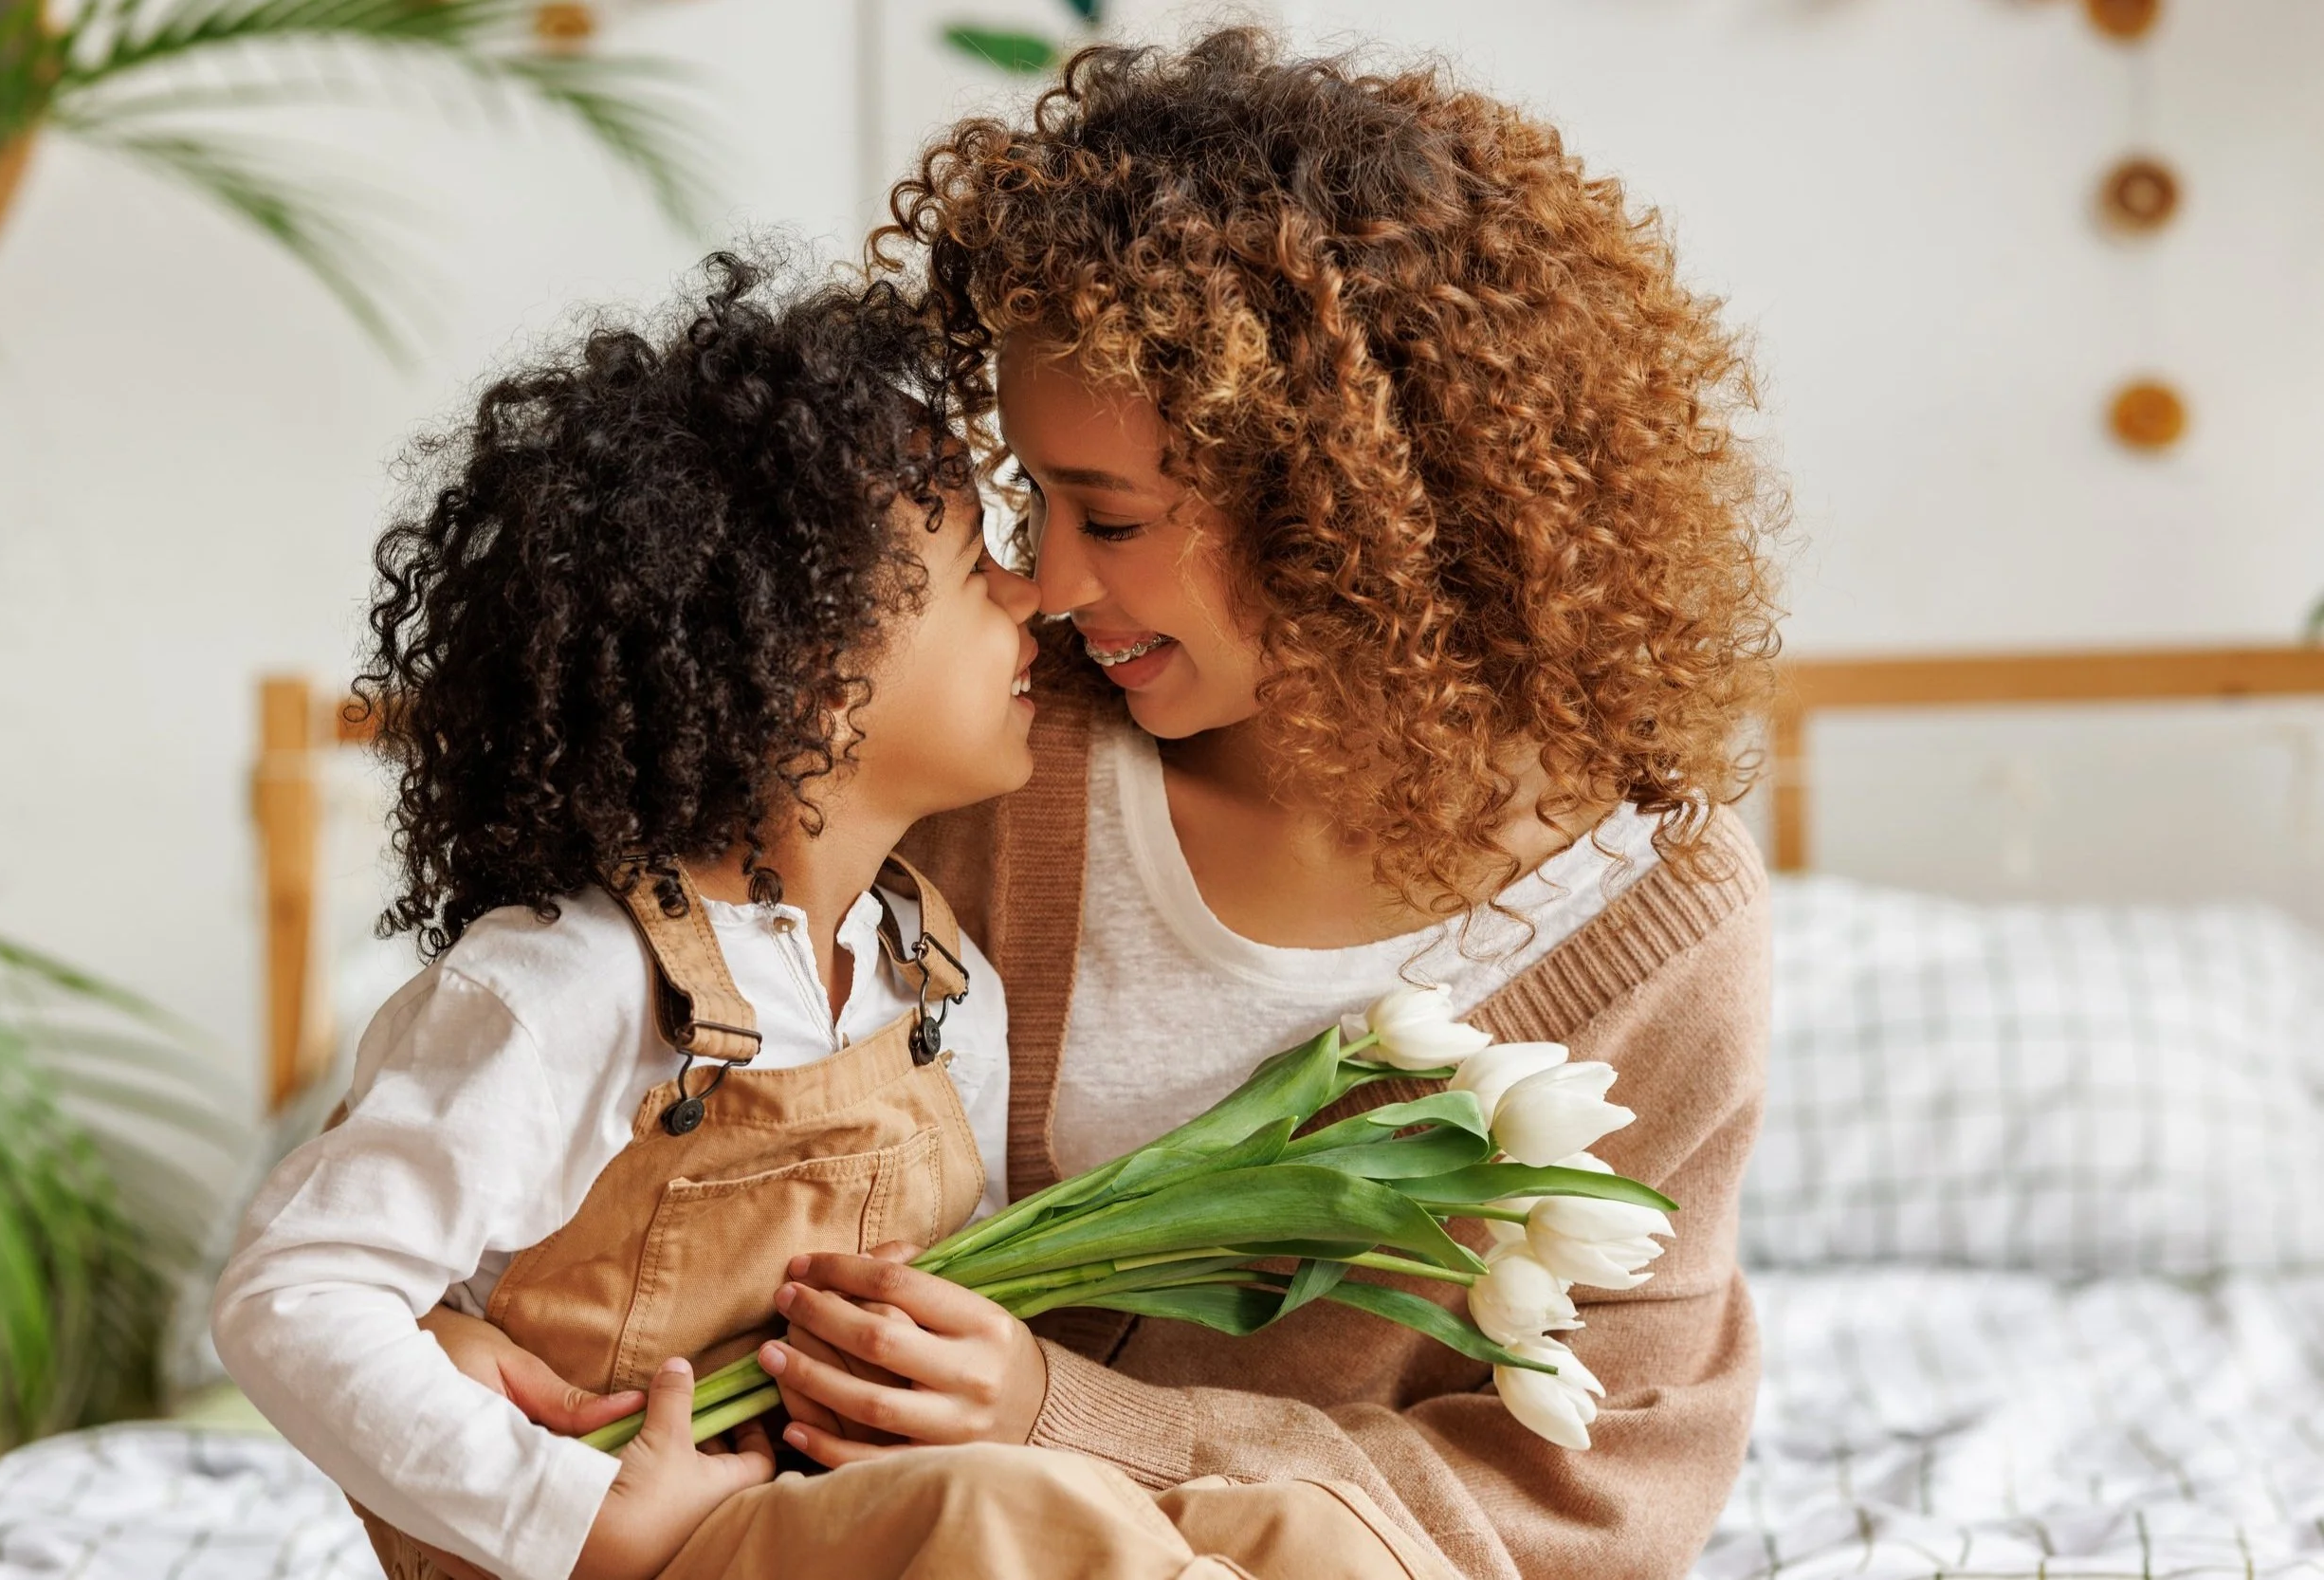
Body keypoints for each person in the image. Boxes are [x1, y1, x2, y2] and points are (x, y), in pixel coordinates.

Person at [420, 28, 1783, 1580]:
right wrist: (437, 1337)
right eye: (1031, 501)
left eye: (1112, 518)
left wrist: (1065, 1412)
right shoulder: (975, 755)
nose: (1051, 585)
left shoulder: (1653, 922)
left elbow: (1595, 1496)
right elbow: (550, 1086)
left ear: (1355, 509)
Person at [210, 256, 1041, 1580]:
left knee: (1265, 1524)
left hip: (857, 1545)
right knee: (1009, 1524)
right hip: (655, 1556)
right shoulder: (567, 987)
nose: (1032, 592)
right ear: (814, 675)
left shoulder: (938, 989)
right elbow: (293, 1295)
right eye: (972, 569)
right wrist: (577, 1521)